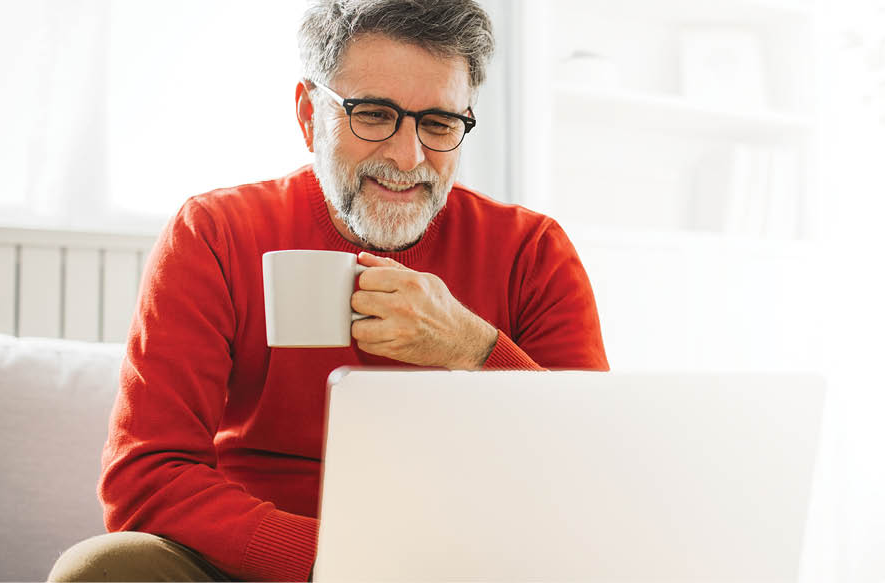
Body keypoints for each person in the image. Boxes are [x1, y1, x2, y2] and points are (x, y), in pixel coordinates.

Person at [48, 0, 608, 581]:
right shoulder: (215, 232)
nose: (408, 157)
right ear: (308, 115)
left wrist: (476, 348)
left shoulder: (532, 252)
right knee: (100, 570)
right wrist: (342, 564)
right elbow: (146, 476)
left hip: (459, 565)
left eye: (439, 124)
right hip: (259, 562)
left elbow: (592, 473)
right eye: (374, 115)